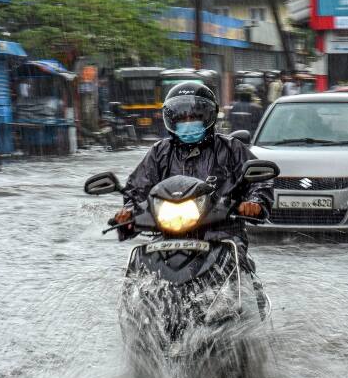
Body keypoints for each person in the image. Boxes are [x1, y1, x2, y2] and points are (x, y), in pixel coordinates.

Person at [113, 81, 273, 251]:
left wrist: (254, 202)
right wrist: (128, 211)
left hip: (223, 234)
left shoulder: (231, 148)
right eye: (182, 118)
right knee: (139, 261)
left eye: (195, 117)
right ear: (173, 121)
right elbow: (137, 190)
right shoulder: (160, 152)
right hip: (168, 233)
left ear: (208, 117)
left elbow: (260, 182)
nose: (188, 123)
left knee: (236, 257)